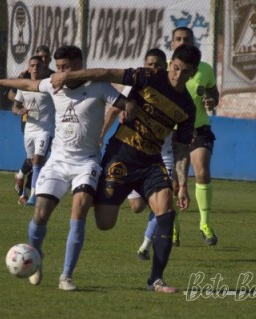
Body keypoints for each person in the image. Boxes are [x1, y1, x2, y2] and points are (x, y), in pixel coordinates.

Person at [51, 44, 200, 293]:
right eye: (175, 68)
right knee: (104, 223)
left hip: (151, 162)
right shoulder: (148, 76)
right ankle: (92, 185)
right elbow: (105, 74)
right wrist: (68, 75)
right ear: (170, 63)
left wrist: (183, 184)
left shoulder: (187, 107)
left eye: (185, 72)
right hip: (121, 154)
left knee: (166, 211)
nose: (178, 75)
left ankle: (156, 280)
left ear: (193, 73)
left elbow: (182, 149)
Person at [0, 45, 133, 291]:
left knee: (80, 209)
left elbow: (125, 102)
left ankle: (66, 276)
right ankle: (36, 259)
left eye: (67, 67)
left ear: (79, 66)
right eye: (59, 67)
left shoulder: (97, 86)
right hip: (58, 162)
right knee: (40, 214)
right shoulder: (52, 84)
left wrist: (128, 112)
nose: (61, 72)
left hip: (86, 162)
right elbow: (28, 86)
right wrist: (0, 81)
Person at [99, 48, 175, 261]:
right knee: (136, 206)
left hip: (162, 154)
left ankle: (145, 245)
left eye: (158, 64)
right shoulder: (135, 85)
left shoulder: (174, 91)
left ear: (166, 67)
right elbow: (114, 109)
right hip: (130, 153)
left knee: (163, 203)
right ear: (144, 64)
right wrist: (101, 135)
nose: (154, 68)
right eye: (150, 64)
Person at [168, 26, 220, 247]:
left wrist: (212, 100)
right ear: (172, 44)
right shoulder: (167, 70)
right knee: (172, 182)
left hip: (199, 129)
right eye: (177, 39)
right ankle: (173, 227)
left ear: (193, 42)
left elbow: (213, 92)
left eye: (186, 39)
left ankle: (205, 224)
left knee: (202, 170)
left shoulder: (204, 70)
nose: (181, 42)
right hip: (172, 132)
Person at [11, 45, 56, 205]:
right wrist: (19, 110)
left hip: (46, 128)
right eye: (33, 65)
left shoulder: (52, 81)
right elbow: (14, 102)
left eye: (41, 63)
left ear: (47, 63)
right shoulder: (23, 82)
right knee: (32, 160)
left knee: (38, 161)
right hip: (29, 126)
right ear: (29, 68)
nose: (37, 67)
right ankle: (21, 178)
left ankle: (32, 196)